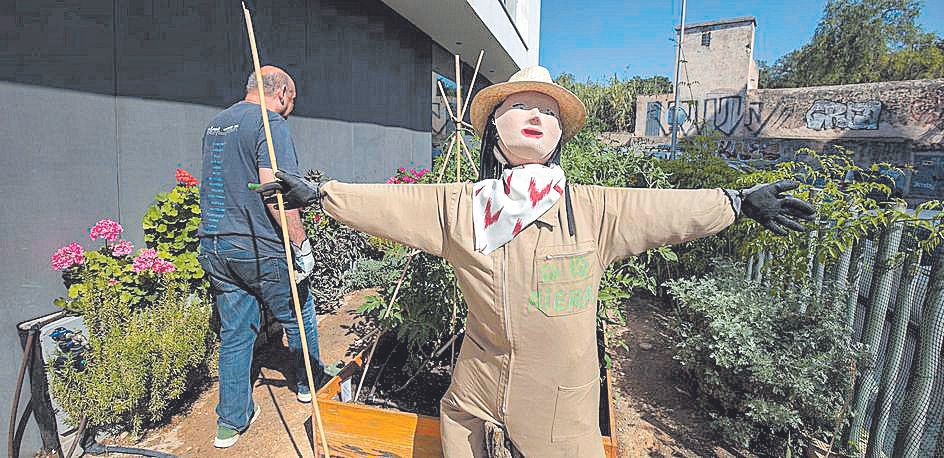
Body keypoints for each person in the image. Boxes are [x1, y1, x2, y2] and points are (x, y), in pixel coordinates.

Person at [257, 66, 815, 457]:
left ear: (557, 136)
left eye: (546, 112)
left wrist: (735, 203)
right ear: (493, 128)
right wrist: (322, 194)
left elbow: (663, 209)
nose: (533, 116)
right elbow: (392, 201)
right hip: (477, 376)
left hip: (560, 396)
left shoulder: (595, 210)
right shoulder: (460, 205)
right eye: (519, 106)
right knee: (456, 432)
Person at [197, 65, 327, 449]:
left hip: (216, 245)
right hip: (257, 246)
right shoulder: (271, 124)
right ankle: (309, 383)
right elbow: (276, 191)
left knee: (236, 333)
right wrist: (301, 244)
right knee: (299, 312)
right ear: (282, 93)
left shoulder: (217, 124)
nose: (291, 109)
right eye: (293, 101)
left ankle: (231, 423)